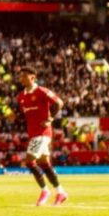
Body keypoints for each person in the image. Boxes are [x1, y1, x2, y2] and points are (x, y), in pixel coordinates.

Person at [15, 66, 68, 205]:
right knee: (44, 163)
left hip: (43, 133)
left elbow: (59, 103)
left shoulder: (42, 91)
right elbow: (26, 115)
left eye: (24, 76)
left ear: (33, 77)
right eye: (20, 76)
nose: (21, 78)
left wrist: (50, 119)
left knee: (29, 161)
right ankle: (60, 192)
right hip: (33, 134)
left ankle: (45, 190)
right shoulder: (21, 96)